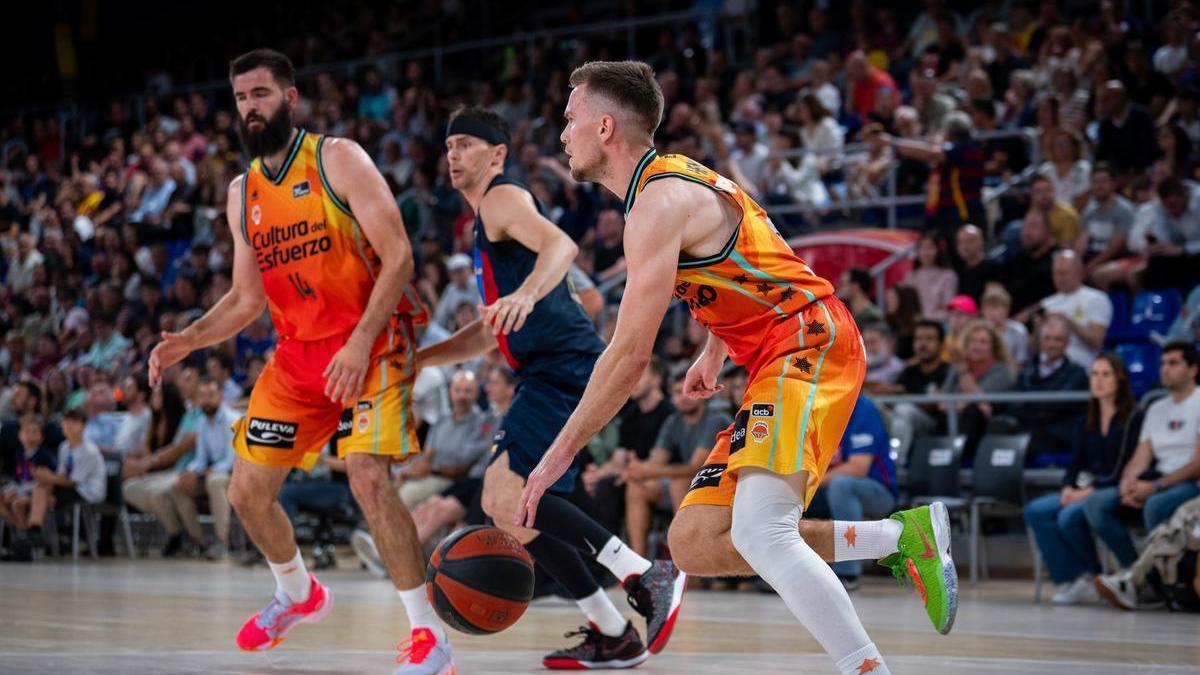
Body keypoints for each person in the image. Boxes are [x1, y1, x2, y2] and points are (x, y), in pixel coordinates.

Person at [517, 61, 958, 675]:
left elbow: (628, 356)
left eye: (570, 120)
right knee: (695, 542)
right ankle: (899, 539)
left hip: (808, 340)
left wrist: (558, 454)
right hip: (776, 350)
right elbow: (751, 253)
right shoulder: (679, 180)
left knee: (764, 531)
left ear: (606, 126)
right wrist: (717, 344)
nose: (562, 134)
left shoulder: (657, 202)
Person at [144, 49, 452, 673]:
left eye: (259, 94)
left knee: (366, 472)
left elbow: (398, 256)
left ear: (289, 98)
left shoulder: (338, 158)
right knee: (246, 493)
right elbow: (245, 299)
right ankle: (298, 593)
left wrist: (361, 342)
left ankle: (430, 638)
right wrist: (189, 340)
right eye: (239, 99)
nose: (249, 108)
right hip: (297, 357)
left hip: (372, 340)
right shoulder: (242, 193)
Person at [419, 105, 683, 669]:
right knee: (519, 510)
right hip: (550, 369)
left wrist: (527, 293)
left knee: (502, 495)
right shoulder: (487, 223)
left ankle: (642, 572)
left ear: (497, 154)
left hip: (561, 368)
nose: (454, 155)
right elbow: (489, 333)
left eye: (466, 144)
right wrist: (417, 359)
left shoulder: (501, 199)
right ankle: (613, 633)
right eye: (449, 146)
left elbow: (561, 247)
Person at [1025, 354, 1141, 605]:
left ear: (1119, 380)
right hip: (1081, 489)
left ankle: (1093, 575)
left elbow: (1122, 469)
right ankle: (1071, 578)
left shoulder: (1131, 419)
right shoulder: (1085, 420)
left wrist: (1084, 493)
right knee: (1036, 510)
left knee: (1069, 516)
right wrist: (1067, 486)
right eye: (1094, 374)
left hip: (1110, 489)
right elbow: (1074, 463)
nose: (1098, 381)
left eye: (1105, 374)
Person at [1083, 342, 1200, 567]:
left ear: (1193, 369)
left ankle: (1154, 577)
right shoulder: (1157, 408)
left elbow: (1197, 464)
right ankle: (1136, 572)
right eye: (1163, 363)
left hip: (1188, 484)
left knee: (1155, 505)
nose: (1165, 369)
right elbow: (1140, 458)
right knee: (1097, 504)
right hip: (1156, 478)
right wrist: (1127, 485)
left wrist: (1155, 486)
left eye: (1173, 363)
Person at [623, 372, 731, 556]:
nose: (684, 397)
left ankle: (689, 563)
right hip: (694, 485)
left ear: (704, 393)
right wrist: (638, 471)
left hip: (723, 484)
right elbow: (657, 461)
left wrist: (647, 472)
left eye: (689, 391)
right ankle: (638, 565)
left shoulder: (716, 418)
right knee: (636, 488)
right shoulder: (674, 421)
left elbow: (697, 467)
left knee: (679, 483)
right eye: (677, 392)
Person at [805, 394, 898, 588]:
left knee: (841, 486)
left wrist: (806, 483)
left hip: (876, 490)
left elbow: (858, 468)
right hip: (824, 487)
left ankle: (847, 572)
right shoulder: (812, 407)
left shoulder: (862, 408)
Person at [171, 378, 238, 559]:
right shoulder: (202, 423)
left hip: (237, 474)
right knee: (179, 485)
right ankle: (200, 541)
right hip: (213, 472)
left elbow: (232, 461)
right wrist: (192, 471)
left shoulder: (232, 420)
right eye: (202, 396)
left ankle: (222, 542)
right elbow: (200, 459)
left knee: (215, 482)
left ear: (221, 397)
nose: (206, 400)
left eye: (211, 396)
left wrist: (206, 472)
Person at [25, 408, 107, 555]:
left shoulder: (89, 450)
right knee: (43, 488)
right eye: (66, 421)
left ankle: (34, 530)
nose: (68, 425)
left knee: (44, 488)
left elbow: (72, 482)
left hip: (87, 491)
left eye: (74, 422)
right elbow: (61, 476)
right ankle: (35, 530)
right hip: (71, 487)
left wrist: (49, 477)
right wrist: (48, 479)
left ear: (83, 426)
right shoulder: (64, 447)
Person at [1009, 315, 1090, 458]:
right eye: (1047, 339)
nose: (1051, 344)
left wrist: (1031, 406)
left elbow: (1061, 405)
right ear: (1040, 342)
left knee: (1021, 444)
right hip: (1028, 428)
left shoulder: (1077, 372)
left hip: (1059, 434)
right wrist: (1040, 410)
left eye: (1057, 339)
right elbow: (1014, 406)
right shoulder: (1028, 372)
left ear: (1067, 343)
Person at [1038, 250, 1112, 368]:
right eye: (1056, 273)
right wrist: (1038, 327)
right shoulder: (1046, 303)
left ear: (1078, 272)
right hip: (1047, 368)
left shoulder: (1096, 299)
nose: (1059, 278)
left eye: (1064, 273)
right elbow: (1034, 347)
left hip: (1080, 365)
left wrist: (1068, 321)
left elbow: (1096, 340)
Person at [902, 233, 958, 322]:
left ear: (938, 250)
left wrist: (926, 318)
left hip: (940, 323)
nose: (926, 252)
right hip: (915, 323)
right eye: (923, 248)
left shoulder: (948, 275)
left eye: (930, 248)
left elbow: (949, 309)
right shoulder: (911, 276)